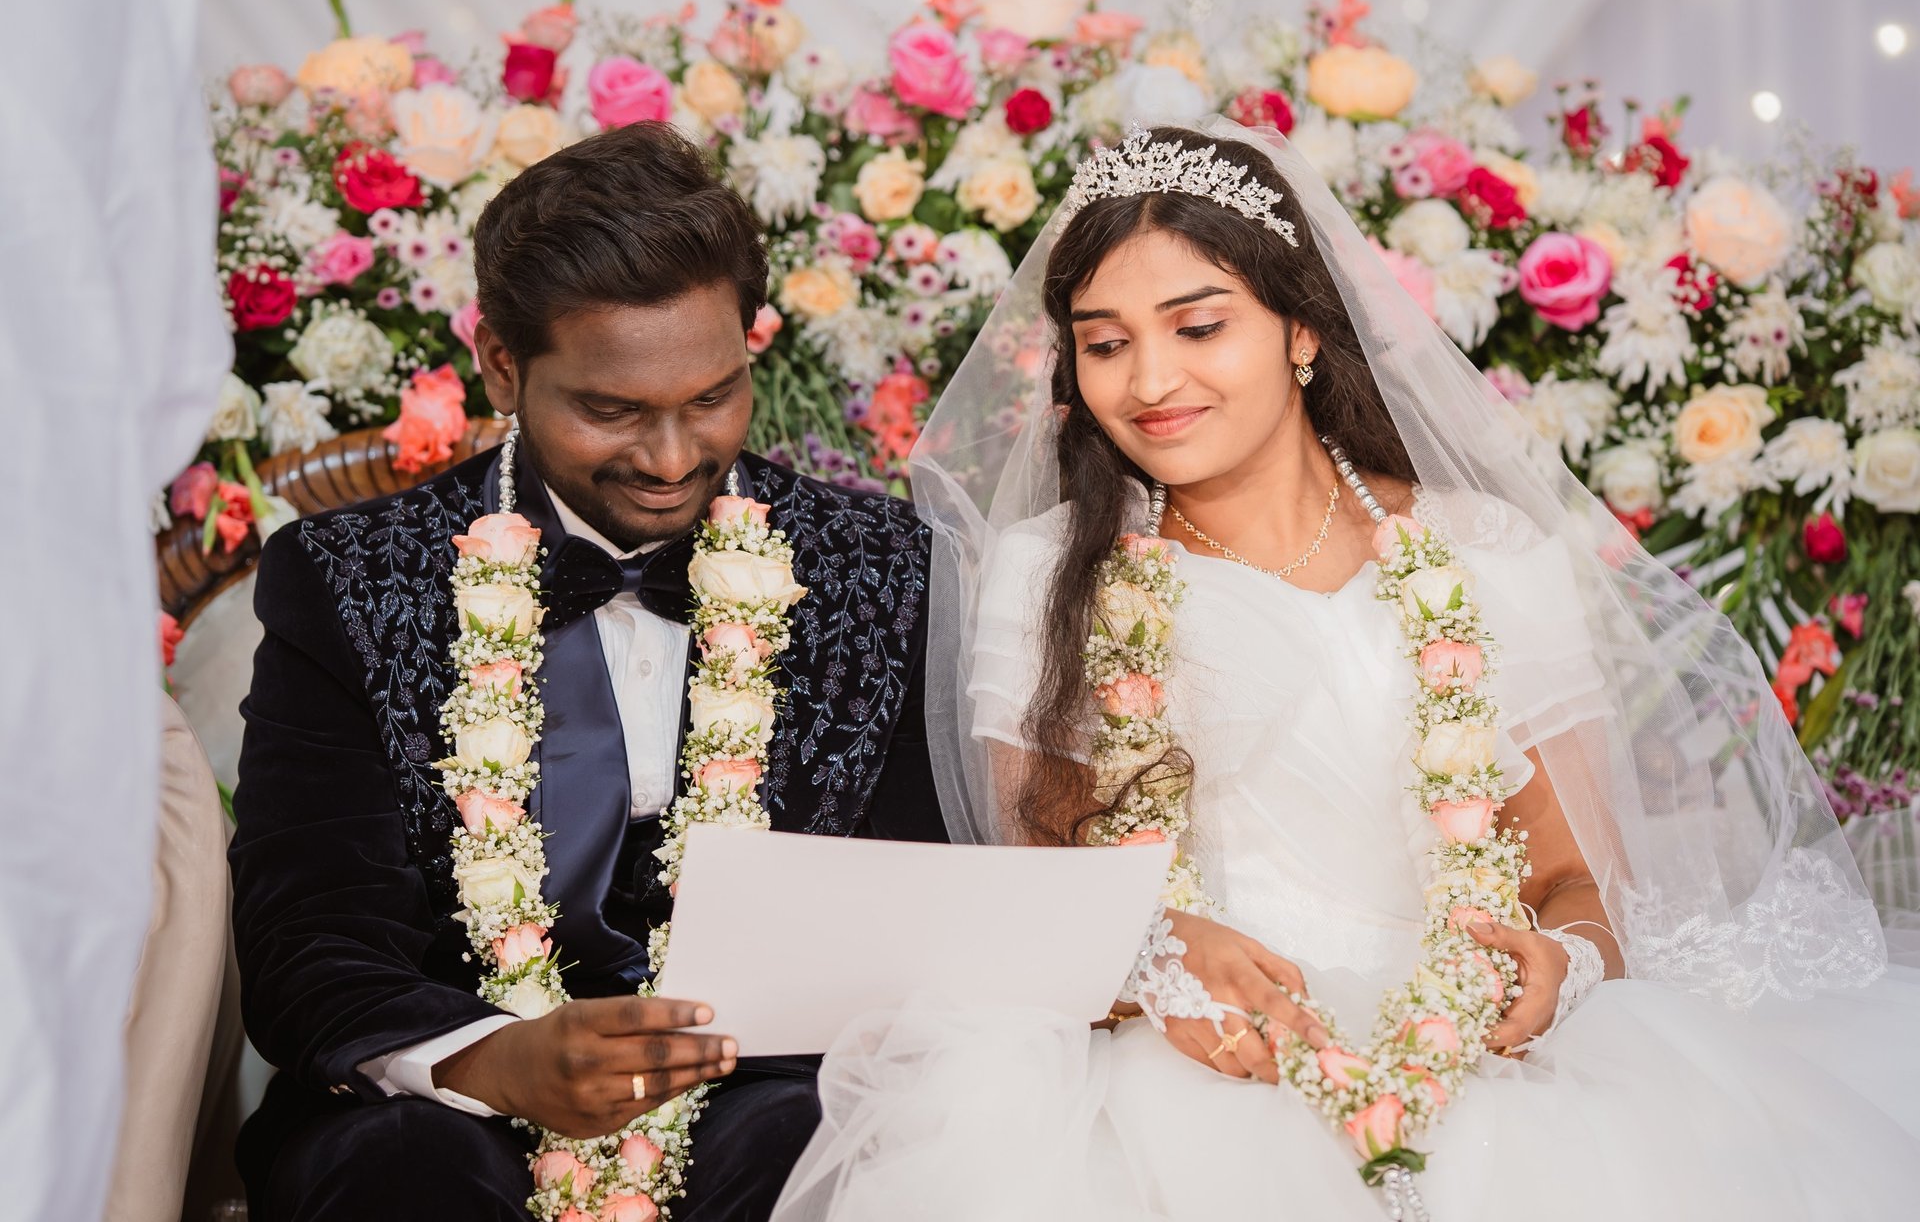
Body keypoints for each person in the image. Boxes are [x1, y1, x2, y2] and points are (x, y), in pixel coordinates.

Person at [771, 120, 1920, 1221]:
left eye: (1198, 326)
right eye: (1106, 343)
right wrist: (1157, 956)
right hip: (1192, 1070)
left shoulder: (1489, 553)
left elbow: (1580, 883)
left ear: (1302, 331)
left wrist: (1560, 964)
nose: (1151, 380)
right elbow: (1044, 898)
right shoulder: (1048, 571)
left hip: (1490, 1064)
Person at [229, 121, 947, 1222]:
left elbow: (915, 905)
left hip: (770, 1085)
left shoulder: (882, 567)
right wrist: (490, 1059)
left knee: (817, 1154)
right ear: (501, 365)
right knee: (399, 1175)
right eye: (611, 410)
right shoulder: (344, 578)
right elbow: (308, 935)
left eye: (712, 396)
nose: (671, 457)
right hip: (442, 1096)